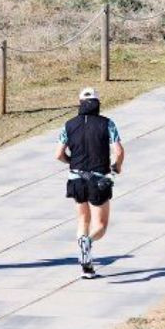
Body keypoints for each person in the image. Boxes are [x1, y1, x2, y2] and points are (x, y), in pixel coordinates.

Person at [56, 86, 124, 279]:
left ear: (80, 104)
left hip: (76, 178)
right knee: (100, 225)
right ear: (97, 104)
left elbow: (58, 154)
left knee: (82, 219)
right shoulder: (107, 124)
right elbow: (118, 151)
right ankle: (88, 242)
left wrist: (72, 163)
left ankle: (86, 265)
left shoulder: (68, 125)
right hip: (99, 179)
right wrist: (116, 167)